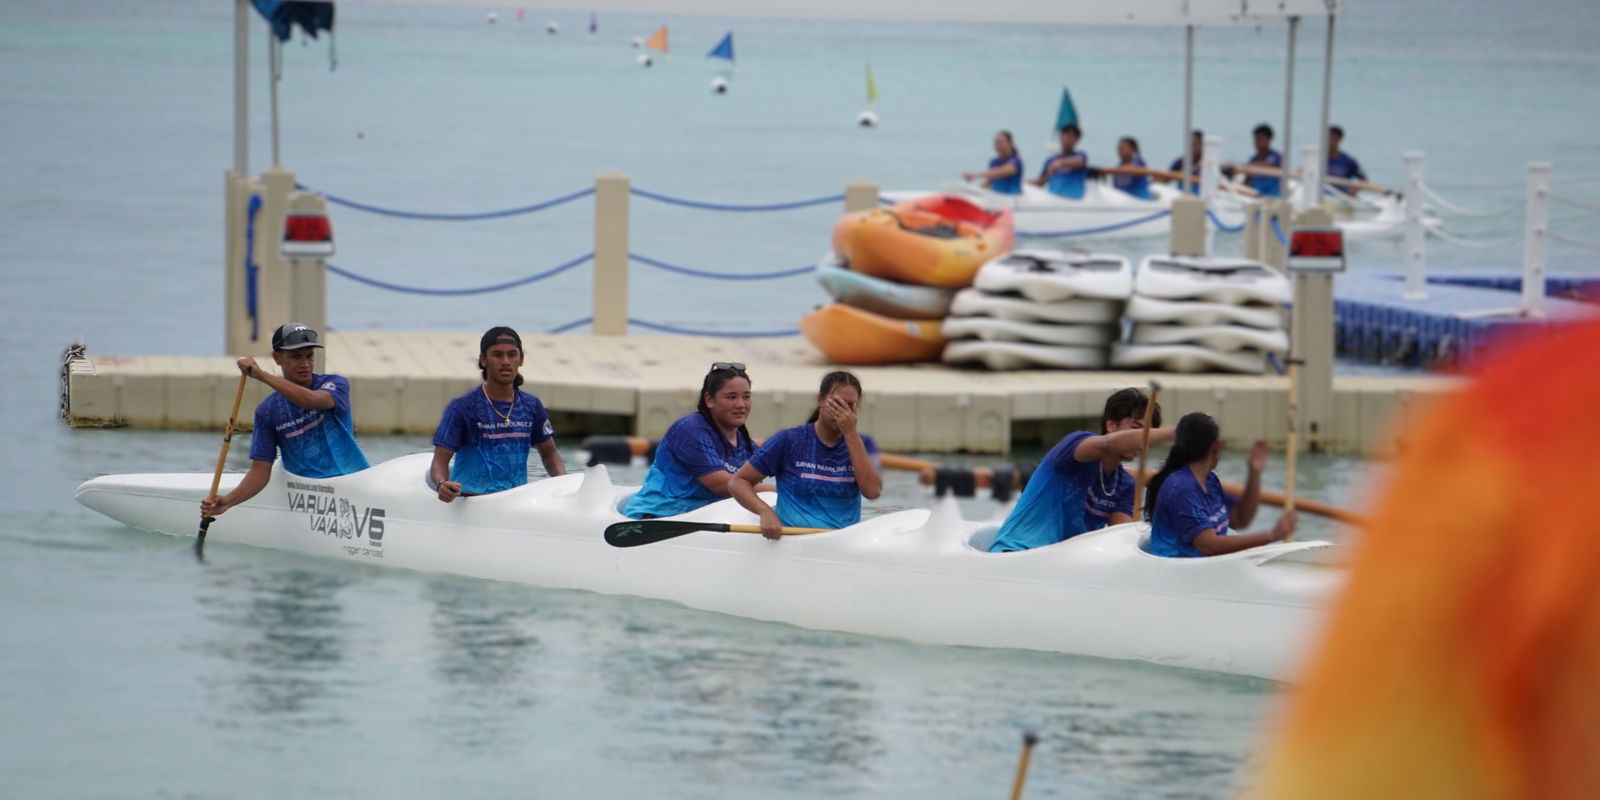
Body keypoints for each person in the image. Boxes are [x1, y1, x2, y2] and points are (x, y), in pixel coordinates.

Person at [199, 323, 371, 518]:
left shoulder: (335, 384)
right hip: (309, 495)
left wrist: (261, 375)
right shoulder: (267, 412)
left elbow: (311, 401)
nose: (305, 364)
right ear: (277, 358)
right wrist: (228, 501)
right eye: (296, 357)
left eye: (309, 356)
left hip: (355, 483)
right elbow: (260, 471)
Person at [987, 388, 1171, 553]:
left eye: (1148, 436)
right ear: (1111, 425)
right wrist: (1174, 433)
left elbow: (1121, 538)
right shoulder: (1074, 447)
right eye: (1138, 430)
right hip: (1017, 552)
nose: (1143, 442)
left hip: (1062, 567)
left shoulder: (1125, 484)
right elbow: (1107, 445)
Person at [728, 371, 883, 538]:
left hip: (841, 542)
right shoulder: (788, 440)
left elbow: (873, 492)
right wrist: (764, 512)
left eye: (850, 405)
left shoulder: (864, 444)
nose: (842, 412)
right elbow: (738, 482)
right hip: (793, 540)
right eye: (836, 403)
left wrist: (851, 433)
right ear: (820, 400)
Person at [430, 326, 565, 501]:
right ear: (483, 360)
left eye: (512, 354)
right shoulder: (462, 407)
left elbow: (549, 453)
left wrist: (564, 485)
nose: (506, 361)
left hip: (515, 502)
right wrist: (442, 484)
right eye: (497, 355)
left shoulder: (532, 405)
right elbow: (440, 460)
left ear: (521, 359)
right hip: (471, 502)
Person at [623, 363, 774, 518]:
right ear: (709, 400)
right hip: (656, 516)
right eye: (731, 397)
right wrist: (778, 491)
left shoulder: (745, 443)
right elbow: (721, 484)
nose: (741, 404)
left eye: (746, 397)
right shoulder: (689, 429)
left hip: (705, 518)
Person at [1144, 412, 1297, 557]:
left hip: (1205, 568)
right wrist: (1272, 535)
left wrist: (1254, 473)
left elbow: (1240, 518)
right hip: (1176, 574)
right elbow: (1207, 545)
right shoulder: (1181, 487)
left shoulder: (1210, 481)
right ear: (1215, 446)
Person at [1029, 124, 1089, 199]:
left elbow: (1079, 162)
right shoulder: (1050, 160)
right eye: (1066, 135)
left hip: (1073, 201)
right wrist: (1024, 183)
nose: (1068, 139)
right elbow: (1041, 181)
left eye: (1072, 136)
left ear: (1077, 140)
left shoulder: (1080, 155)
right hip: (1054, 200)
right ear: (1060, 137)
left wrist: (1061, 162)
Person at [962, 130, 1024, 195]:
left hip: (1012, 199)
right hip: (994, 198)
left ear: (1010, 144)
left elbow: (1001, 172)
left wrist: (975, 175)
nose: (999, 146)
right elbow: (989, 183)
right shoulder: (993, 162)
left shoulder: (1016, 161)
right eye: (997, 143)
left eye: (1002, 143)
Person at [1245, 123, 1283, 197]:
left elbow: (1272, 166)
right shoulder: (1253, 159)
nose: (1257, 142)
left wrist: (1249, 167)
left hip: (1273, 196)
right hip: (1256, 195)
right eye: (1256, 139)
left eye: (1260, 139)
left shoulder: (1277, 157)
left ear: (1269, 139)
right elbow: (1248, 181)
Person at [1326, 125, 1367, 192]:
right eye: (1326, 138)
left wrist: (1352, 191)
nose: (1328, 140)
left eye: (1331, 137)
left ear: (1339, 139)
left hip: (1340, 197)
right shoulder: (1317, 160)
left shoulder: (1348, 161)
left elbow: (1364, 180)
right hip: (1321, 195)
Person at [1164, 129, 1204, 193]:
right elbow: (1166, 179)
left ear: (1202, 145)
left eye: (1194, 145)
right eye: (1189, 145)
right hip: (1183, 197)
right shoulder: (1181, 162)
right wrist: (1196, 167)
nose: (1191, 148)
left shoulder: (1209, 164)